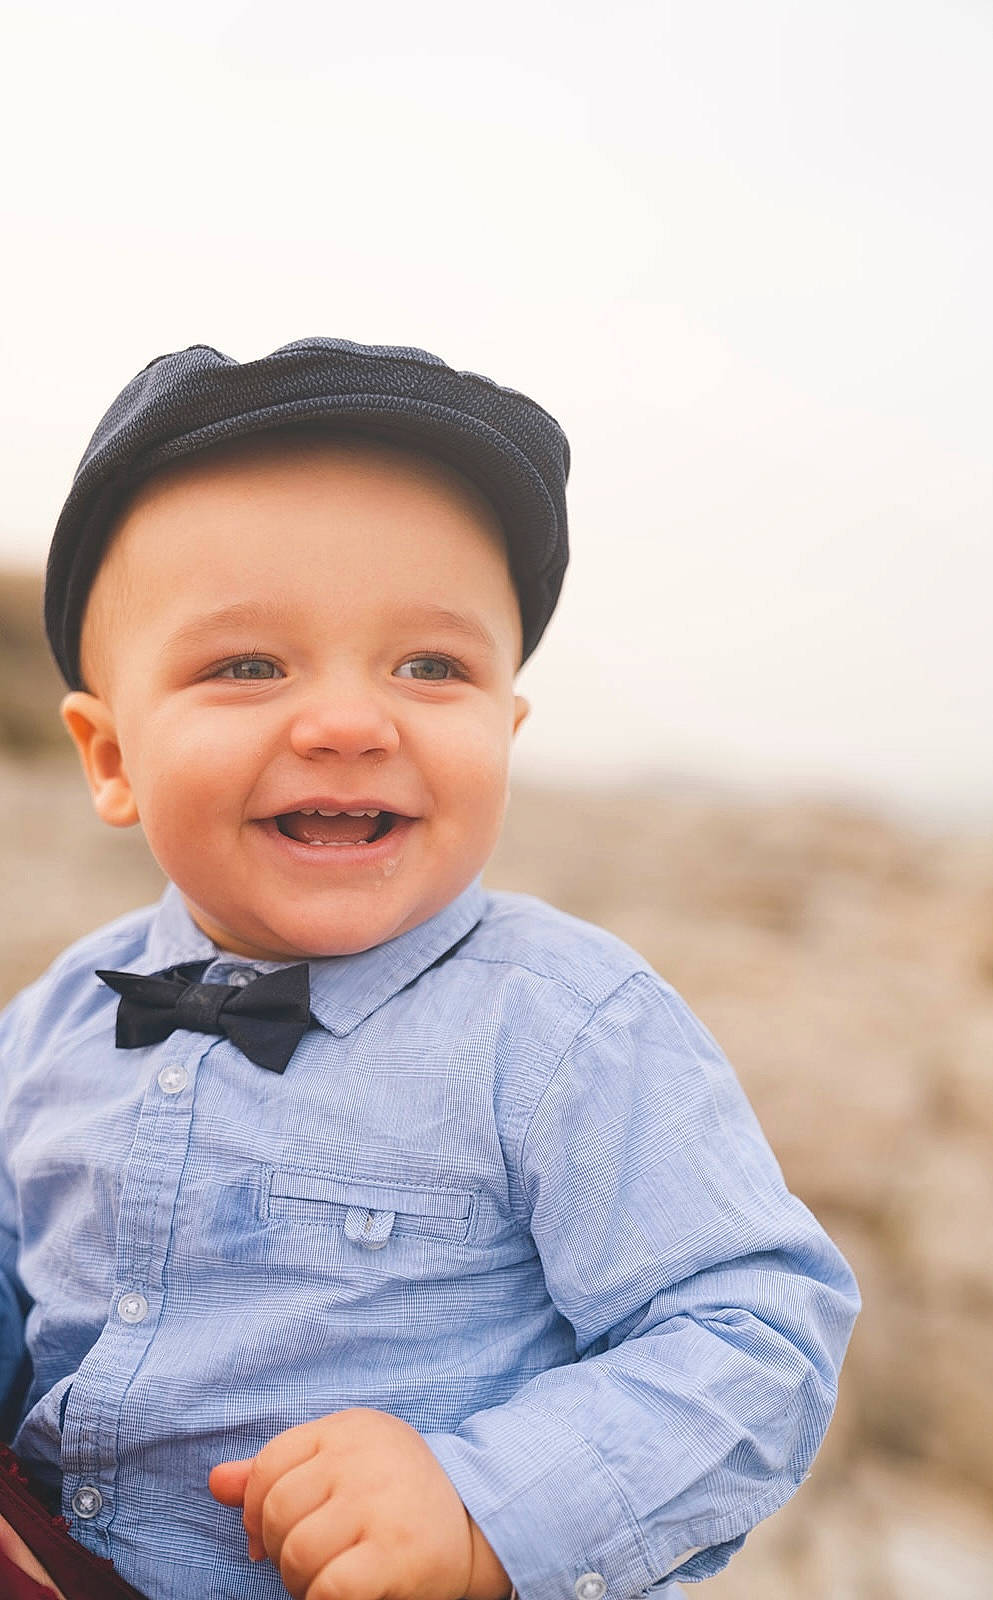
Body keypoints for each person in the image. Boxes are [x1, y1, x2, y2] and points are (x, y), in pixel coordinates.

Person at [0, 338, 859, 1600]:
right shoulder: (56, 1015)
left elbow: (758, 1335)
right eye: (248, 665)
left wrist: (480, 1506)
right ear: (111, 755)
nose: (349, 721)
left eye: (431, 667)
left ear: (505, 727)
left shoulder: (564, 1024)